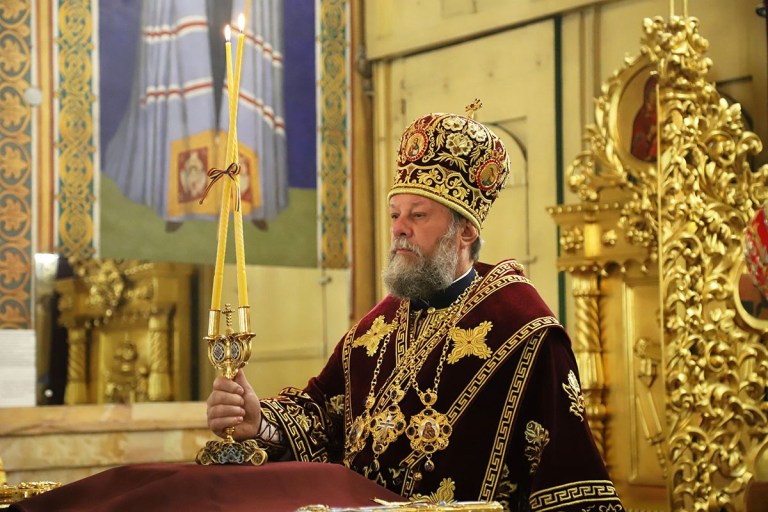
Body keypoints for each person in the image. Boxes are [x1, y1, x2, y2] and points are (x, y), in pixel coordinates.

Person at [207, 103, 625, 511]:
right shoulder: (373, 330)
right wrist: (260, 421)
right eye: (395, 214)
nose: (399, 229)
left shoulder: (525, 333)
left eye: (418, 215)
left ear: (465, 232)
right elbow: (323, 416)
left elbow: (568, 479)